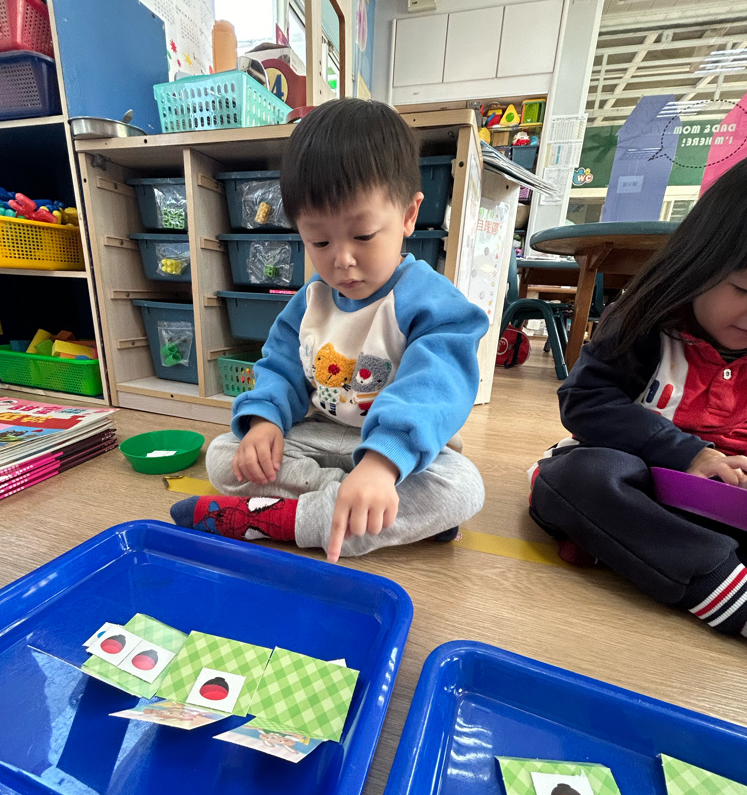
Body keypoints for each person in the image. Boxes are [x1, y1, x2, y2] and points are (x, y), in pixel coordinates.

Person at [172, 98, 487, 562]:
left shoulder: (432, 303)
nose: (342, 259)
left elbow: (435, 388)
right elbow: (280, 365)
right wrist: (264, 422)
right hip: (319, 436)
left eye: (363, 235)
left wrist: (382, 465)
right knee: (224, 454)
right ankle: (360, 510)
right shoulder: (310, 299)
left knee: (462, 486)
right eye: (319, 241)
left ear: (408, 215)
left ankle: (283, 519)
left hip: (393, 450)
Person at [529, 157, 747, 636]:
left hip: (716, 509)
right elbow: (585, 401)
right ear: (700, 263)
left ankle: (625, 550)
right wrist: (688, 454)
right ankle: (714, 582)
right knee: (576, 478)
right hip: (636, 481)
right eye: (742, 290)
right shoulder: (645, 322)